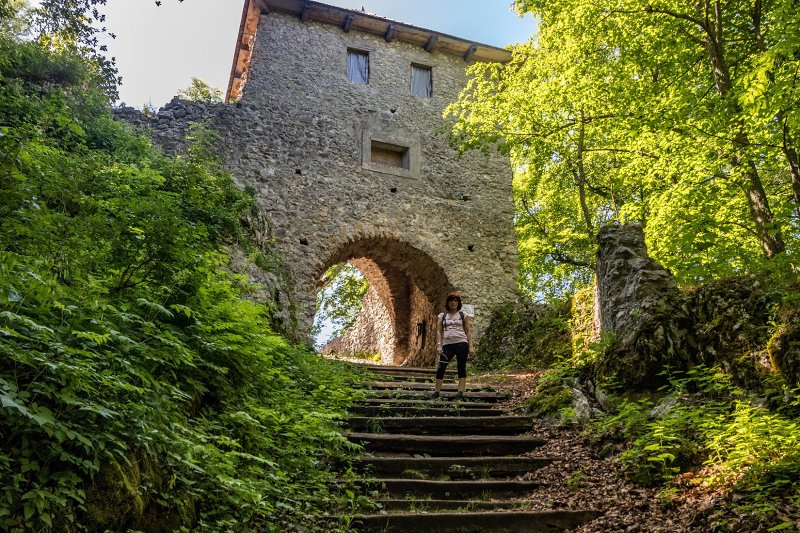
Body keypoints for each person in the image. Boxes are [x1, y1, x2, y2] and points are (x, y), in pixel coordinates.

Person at [429, 291, 474, 401]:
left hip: (462, 343)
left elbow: (468, 331)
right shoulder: (442, 316)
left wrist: (471, 346)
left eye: (455, 301)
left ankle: (460, 393)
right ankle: (437, 392)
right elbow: (439, 331)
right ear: (447, 303)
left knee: (461, 368)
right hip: (447, 345)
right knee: (441, 367)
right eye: (451, 300)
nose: (453, 303)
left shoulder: (463, 315)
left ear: (458, 303)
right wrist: (439, 345)